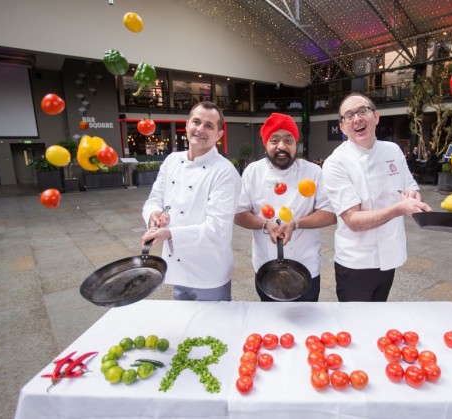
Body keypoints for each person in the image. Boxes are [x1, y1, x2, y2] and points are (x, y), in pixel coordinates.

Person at [322, 93, 431, 302]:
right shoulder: (336, 163)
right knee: (354, 325)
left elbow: (410, 186)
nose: (357, 119)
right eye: (349, 115)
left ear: (376, 116)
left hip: (390, 253)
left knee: (379, 318)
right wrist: (399, 209)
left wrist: (412, 195)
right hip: (356, 261)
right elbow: (353, 220)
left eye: (363, 111)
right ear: (343, 126)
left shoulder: (393, 150)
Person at [141, 101, 241, 301]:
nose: (200, 129)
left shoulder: (225, 172)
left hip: (209, 273)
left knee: (214, 330)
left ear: (219, 135)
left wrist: (169, 233)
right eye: (196, 122)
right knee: (186, 329)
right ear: (186, 125)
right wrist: (153, 215)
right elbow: (154, 199)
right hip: (177, 269)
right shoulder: (171, 161)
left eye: (209, 126)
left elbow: (217, 230)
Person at [234, 112, 336, 301]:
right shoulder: (252, 172)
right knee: (271, 322)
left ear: (296, 144)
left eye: (288, 140)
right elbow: (239, 213)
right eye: (274, 140)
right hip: (266, 267)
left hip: (306, 267)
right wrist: (265, 224)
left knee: (307, 322)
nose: (281, 146)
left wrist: (296, 224)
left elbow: (329, 214)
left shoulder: (313, 172)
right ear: (265, 144)